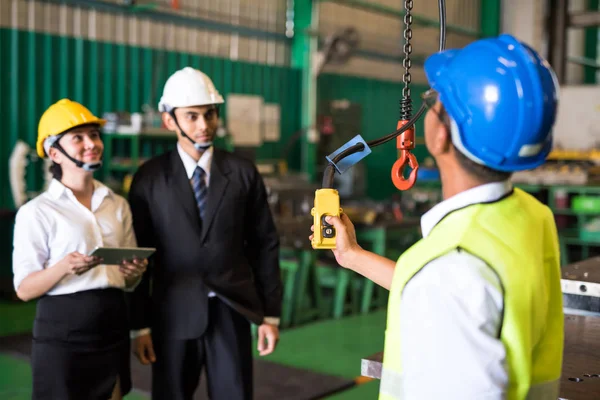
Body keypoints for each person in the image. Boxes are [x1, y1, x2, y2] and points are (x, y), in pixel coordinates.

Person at [312, 34, 564, 399]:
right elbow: (459, 290)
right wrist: (353, 256)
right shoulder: (531, 215)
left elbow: (454, 286)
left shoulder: (451, 268)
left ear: (442, 135)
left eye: (432, 101)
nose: (426, 107)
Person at [127, 66, 282, 400]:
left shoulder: (242, 173)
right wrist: (139, 325)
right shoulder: (149, 179)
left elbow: (264, 244)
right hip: (172, 314)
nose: (204, 125)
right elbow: (138, 255)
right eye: (192, 116)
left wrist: (269, 314)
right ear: (170, 120)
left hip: (231, 310)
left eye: (210, 114)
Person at [12, 98, 149, 400]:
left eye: (95, 135)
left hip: (112, 329)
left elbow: (126, 280)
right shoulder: (37, 213)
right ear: (54, 152)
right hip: (62, 337)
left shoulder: (117, 205)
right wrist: (63, 267)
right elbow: (23, 289)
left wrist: (133, 273)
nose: (91, 144)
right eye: (78, 138)